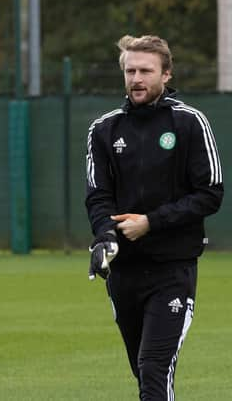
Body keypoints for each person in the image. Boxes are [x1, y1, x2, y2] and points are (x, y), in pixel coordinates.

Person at [85, 35, 223, 400]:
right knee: (143, 372)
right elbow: (98, 196)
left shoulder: (190, 123)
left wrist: (151, 222)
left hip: (172, 270)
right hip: (124, 274)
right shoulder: (104, 129)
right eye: (130, 70)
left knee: (154, 368)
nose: (136, 78)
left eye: (145, 70)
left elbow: (211, 194)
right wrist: (105, 237)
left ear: (166, 74)